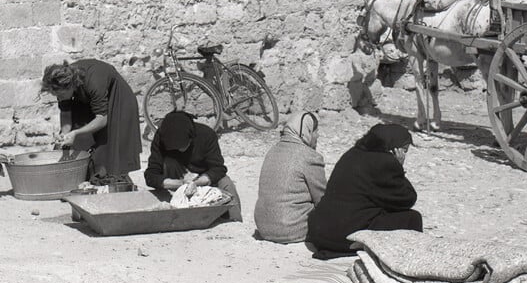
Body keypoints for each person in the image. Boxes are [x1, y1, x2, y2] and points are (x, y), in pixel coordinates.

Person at [307, 123, 422, 257]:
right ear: (394, 148)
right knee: (413, 218)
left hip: (320, 234)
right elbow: (407, 199)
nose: (404, 155)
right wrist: (399, 167)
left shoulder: (352, 153)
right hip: (343, 238)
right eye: (404, 150)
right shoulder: (385, 162)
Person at [41, 60, 142, 178]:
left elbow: (102, 119)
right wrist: (65, 134)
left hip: (118, 101)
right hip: (87, 100)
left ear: (71, 86)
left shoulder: (94, 81)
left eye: (61, 95)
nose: (59, 98)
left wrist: (76, 133)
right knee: (79, 141)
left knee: (108, 155)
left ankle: (115, 179)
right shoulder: (62, 84)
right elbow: (65, 112)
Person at [144, 111, 242, 222]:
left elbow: (218, 169)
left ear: (191, 137)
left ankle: (233, 221)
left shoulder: (206, 135)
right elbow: (151, 176)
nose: (179, 150)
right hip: (175, 181)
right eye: (175, 148)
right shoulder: (161, 137)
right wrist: (180, 184)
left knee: (226, 183)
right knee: (168, 163)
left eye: (182, 146)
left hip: (203, 179)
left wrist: (197, 183)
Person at [254, 111, 326, 243]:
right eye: (315, 131)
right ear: (306, 132)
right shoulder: (309, 156)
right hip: (291, 229)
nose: (318, 135)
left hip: (264, 228)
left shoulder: (272, 151)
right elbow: (322, 200)